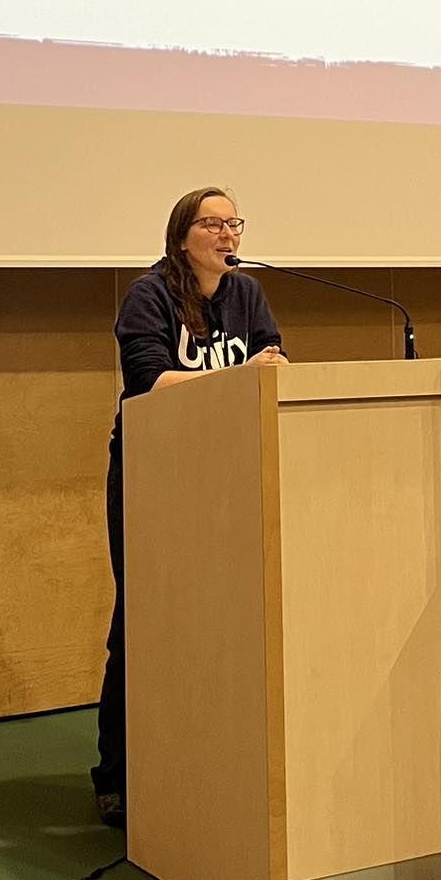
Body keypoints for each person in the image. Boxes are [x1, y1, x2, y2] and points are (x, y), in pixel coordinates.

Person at [92, 187, 285, 828]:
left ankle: (195, 766)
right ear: (182, 236)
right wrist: (242, 375)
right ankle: (116, 775)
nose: (228, 235)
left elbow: (273, 363)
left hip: (227, 475)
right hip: (152, 477)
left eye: (234, 224)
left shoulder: (247, 294)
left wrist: (270, 368)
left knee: (216, 623)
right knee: (141, 621)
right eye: (212, 224)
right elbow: (148, 382)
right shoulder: (149, 296)